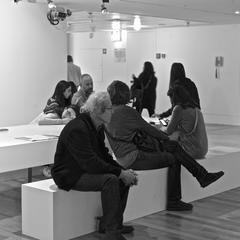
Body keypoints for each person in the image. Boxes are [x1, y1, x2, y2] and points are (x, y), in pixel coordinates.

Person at [105, 80, 224, 211]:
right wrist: (166, 138)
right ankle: (175, 199)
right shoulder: (127, 112)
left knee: (172, 147)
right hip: (133, 157)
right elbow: (150, 130)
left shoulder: (106, 112)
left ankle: (202, 176)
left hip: (122, 157)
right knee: (173, 157)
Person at [51, 92, 137, 240]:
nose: (112, 111)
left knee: (122, 178)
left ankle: (111, 224)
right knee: (111, 180)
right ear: (98, 111)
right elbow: (90, 163)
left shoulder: (96, 126)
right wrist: (120, 173)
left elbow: (103, 155)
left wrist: (122, 171)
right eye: (109, 108)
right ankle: (112, 233)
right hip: (68, 174)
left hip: (81, 169)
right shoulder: (79, 128)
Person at [164, 83, 208, 159]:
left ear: (174, 98)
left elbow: (168, 131)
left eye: (171, 98)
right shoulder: (196, 108)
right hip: (203, 150)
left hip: (191, 150)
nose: (171, 102)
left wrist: (158, 128)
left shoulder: (178, 108)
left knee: (163, 138)